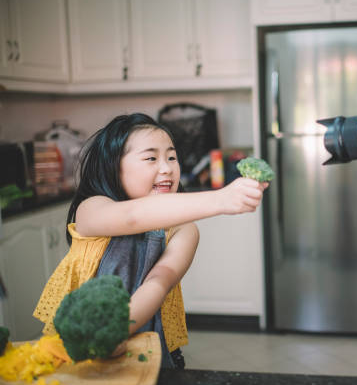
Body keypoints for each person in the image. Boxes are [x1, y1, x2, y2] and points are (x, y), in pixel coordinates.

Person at [33, 113, 268, 368]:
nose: (166, 167)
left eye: (171, 157)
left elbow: (159, 282)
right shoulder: (92, 208)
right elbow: (132, 217)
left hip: (144, 337)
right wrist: (219, 200)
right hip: (78, 340)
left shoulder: (183, 230)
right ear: (113, 166)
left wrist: (117, 331)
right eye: (151, 158)